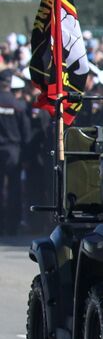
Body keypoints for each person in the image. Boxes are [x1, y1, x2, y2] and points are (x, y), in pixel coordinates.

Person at [0, 72, 31, 237]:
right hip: (14, 150)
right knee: (14, 189)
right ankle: (12, 226)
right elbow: (26, 133)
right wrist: (26, 156)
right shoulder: (18, 105)